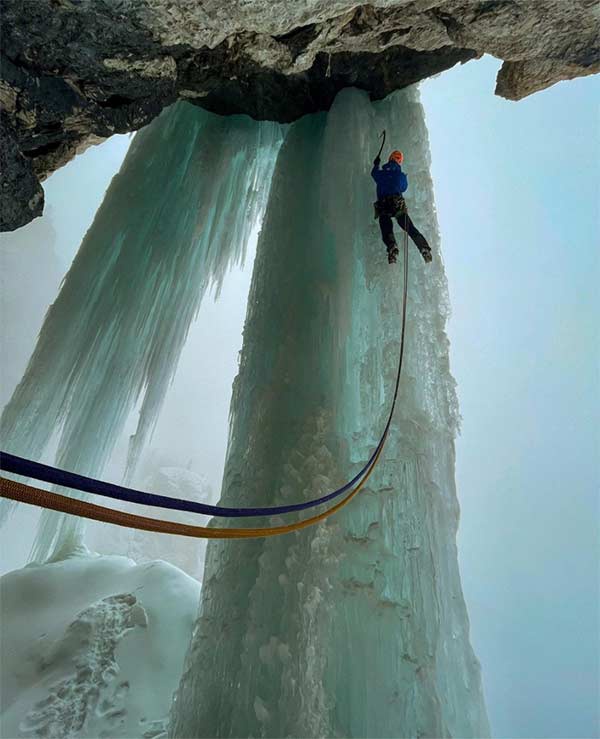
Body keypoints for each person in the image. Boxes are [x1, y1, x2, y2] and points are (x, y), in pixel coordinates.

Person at [371, 150, 432, 265]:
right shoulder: (401, 176)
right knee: (410, 228)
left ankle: (392, 246)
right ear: (399, 162)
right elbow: (404, 187)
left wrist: (376, 164)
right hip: (396, 205)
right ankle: (424, 248)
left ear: (390, 159)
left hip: (384, 206)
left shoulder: (381, 173)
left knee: (386, 226)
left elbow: (374, 174)